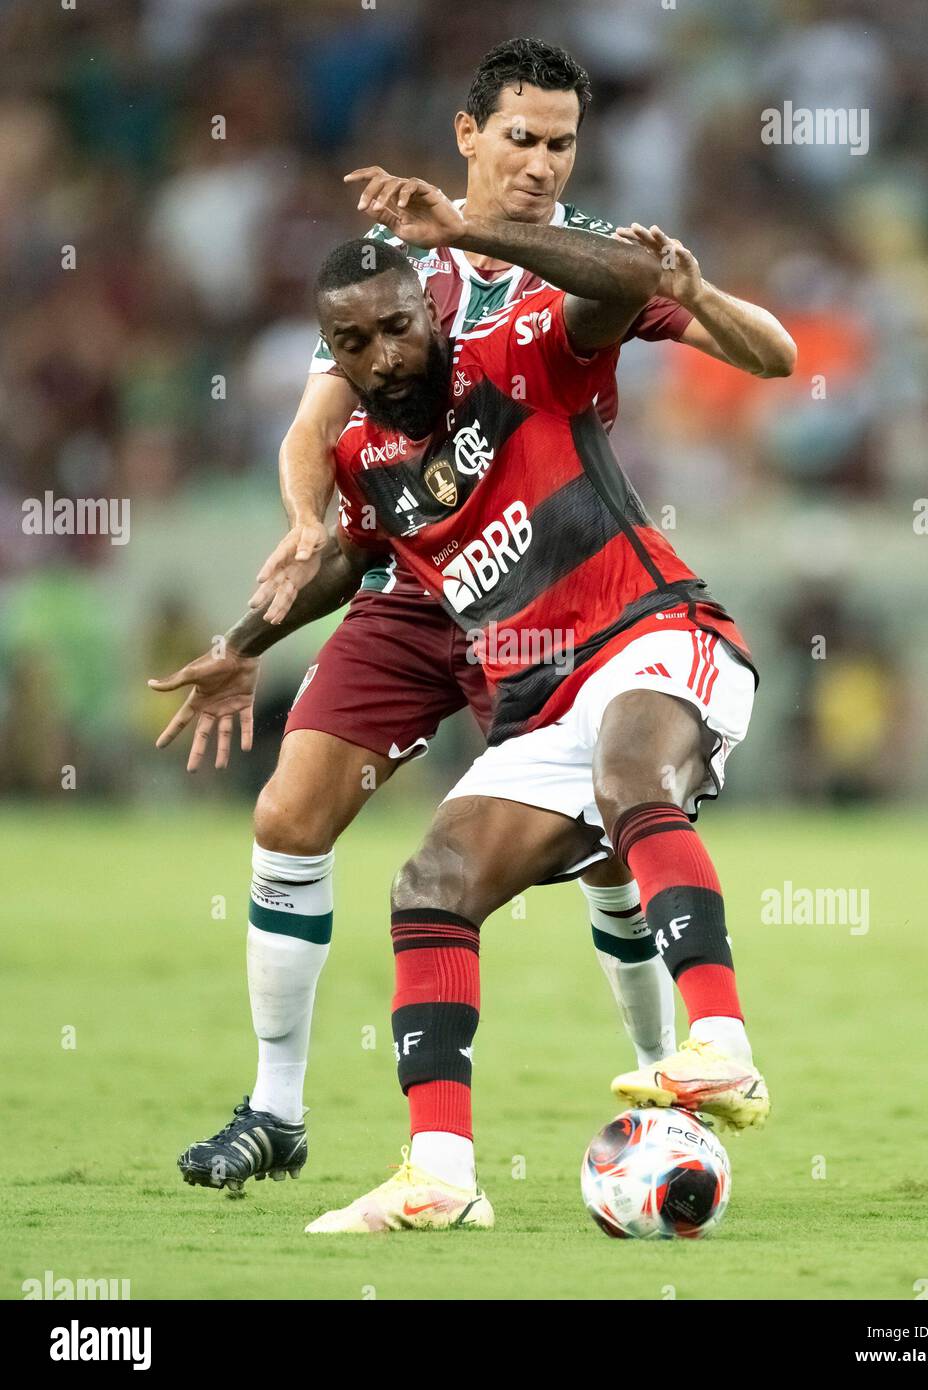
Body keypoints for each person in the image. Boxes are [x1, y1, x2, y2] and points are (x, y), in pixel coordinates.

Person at [152, 38, 793, 1197]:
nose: (541, 163)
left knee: (605, 807)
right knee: (291, 815)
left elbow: (757, 348)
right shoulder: (386, 280)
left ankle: (668, 1074)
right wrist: (304, 526)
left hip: (550, 581)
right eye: (521, 139)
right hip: (414, 577)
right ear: (467, 134)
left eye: (560, 144)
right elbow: (318, 437)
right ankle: (277, 1108)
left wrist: (691, 291)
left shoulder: (578, 259)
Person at [278, 172, 770, 1232]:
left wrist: (469, 229)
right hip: (542, 708)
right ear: (333, 354)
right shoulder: (365, 459)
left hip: (653, 635)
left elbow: (633, 279)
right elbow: (342, 566)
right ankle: (441, 1175)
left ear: (431, 310)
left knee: (631, 771)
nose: (384, 358)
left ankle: (720, 1047)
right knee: (429, 881)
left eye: (398, 329)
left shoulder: (524, 352)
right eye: (353, 345)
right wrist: (240, 643)